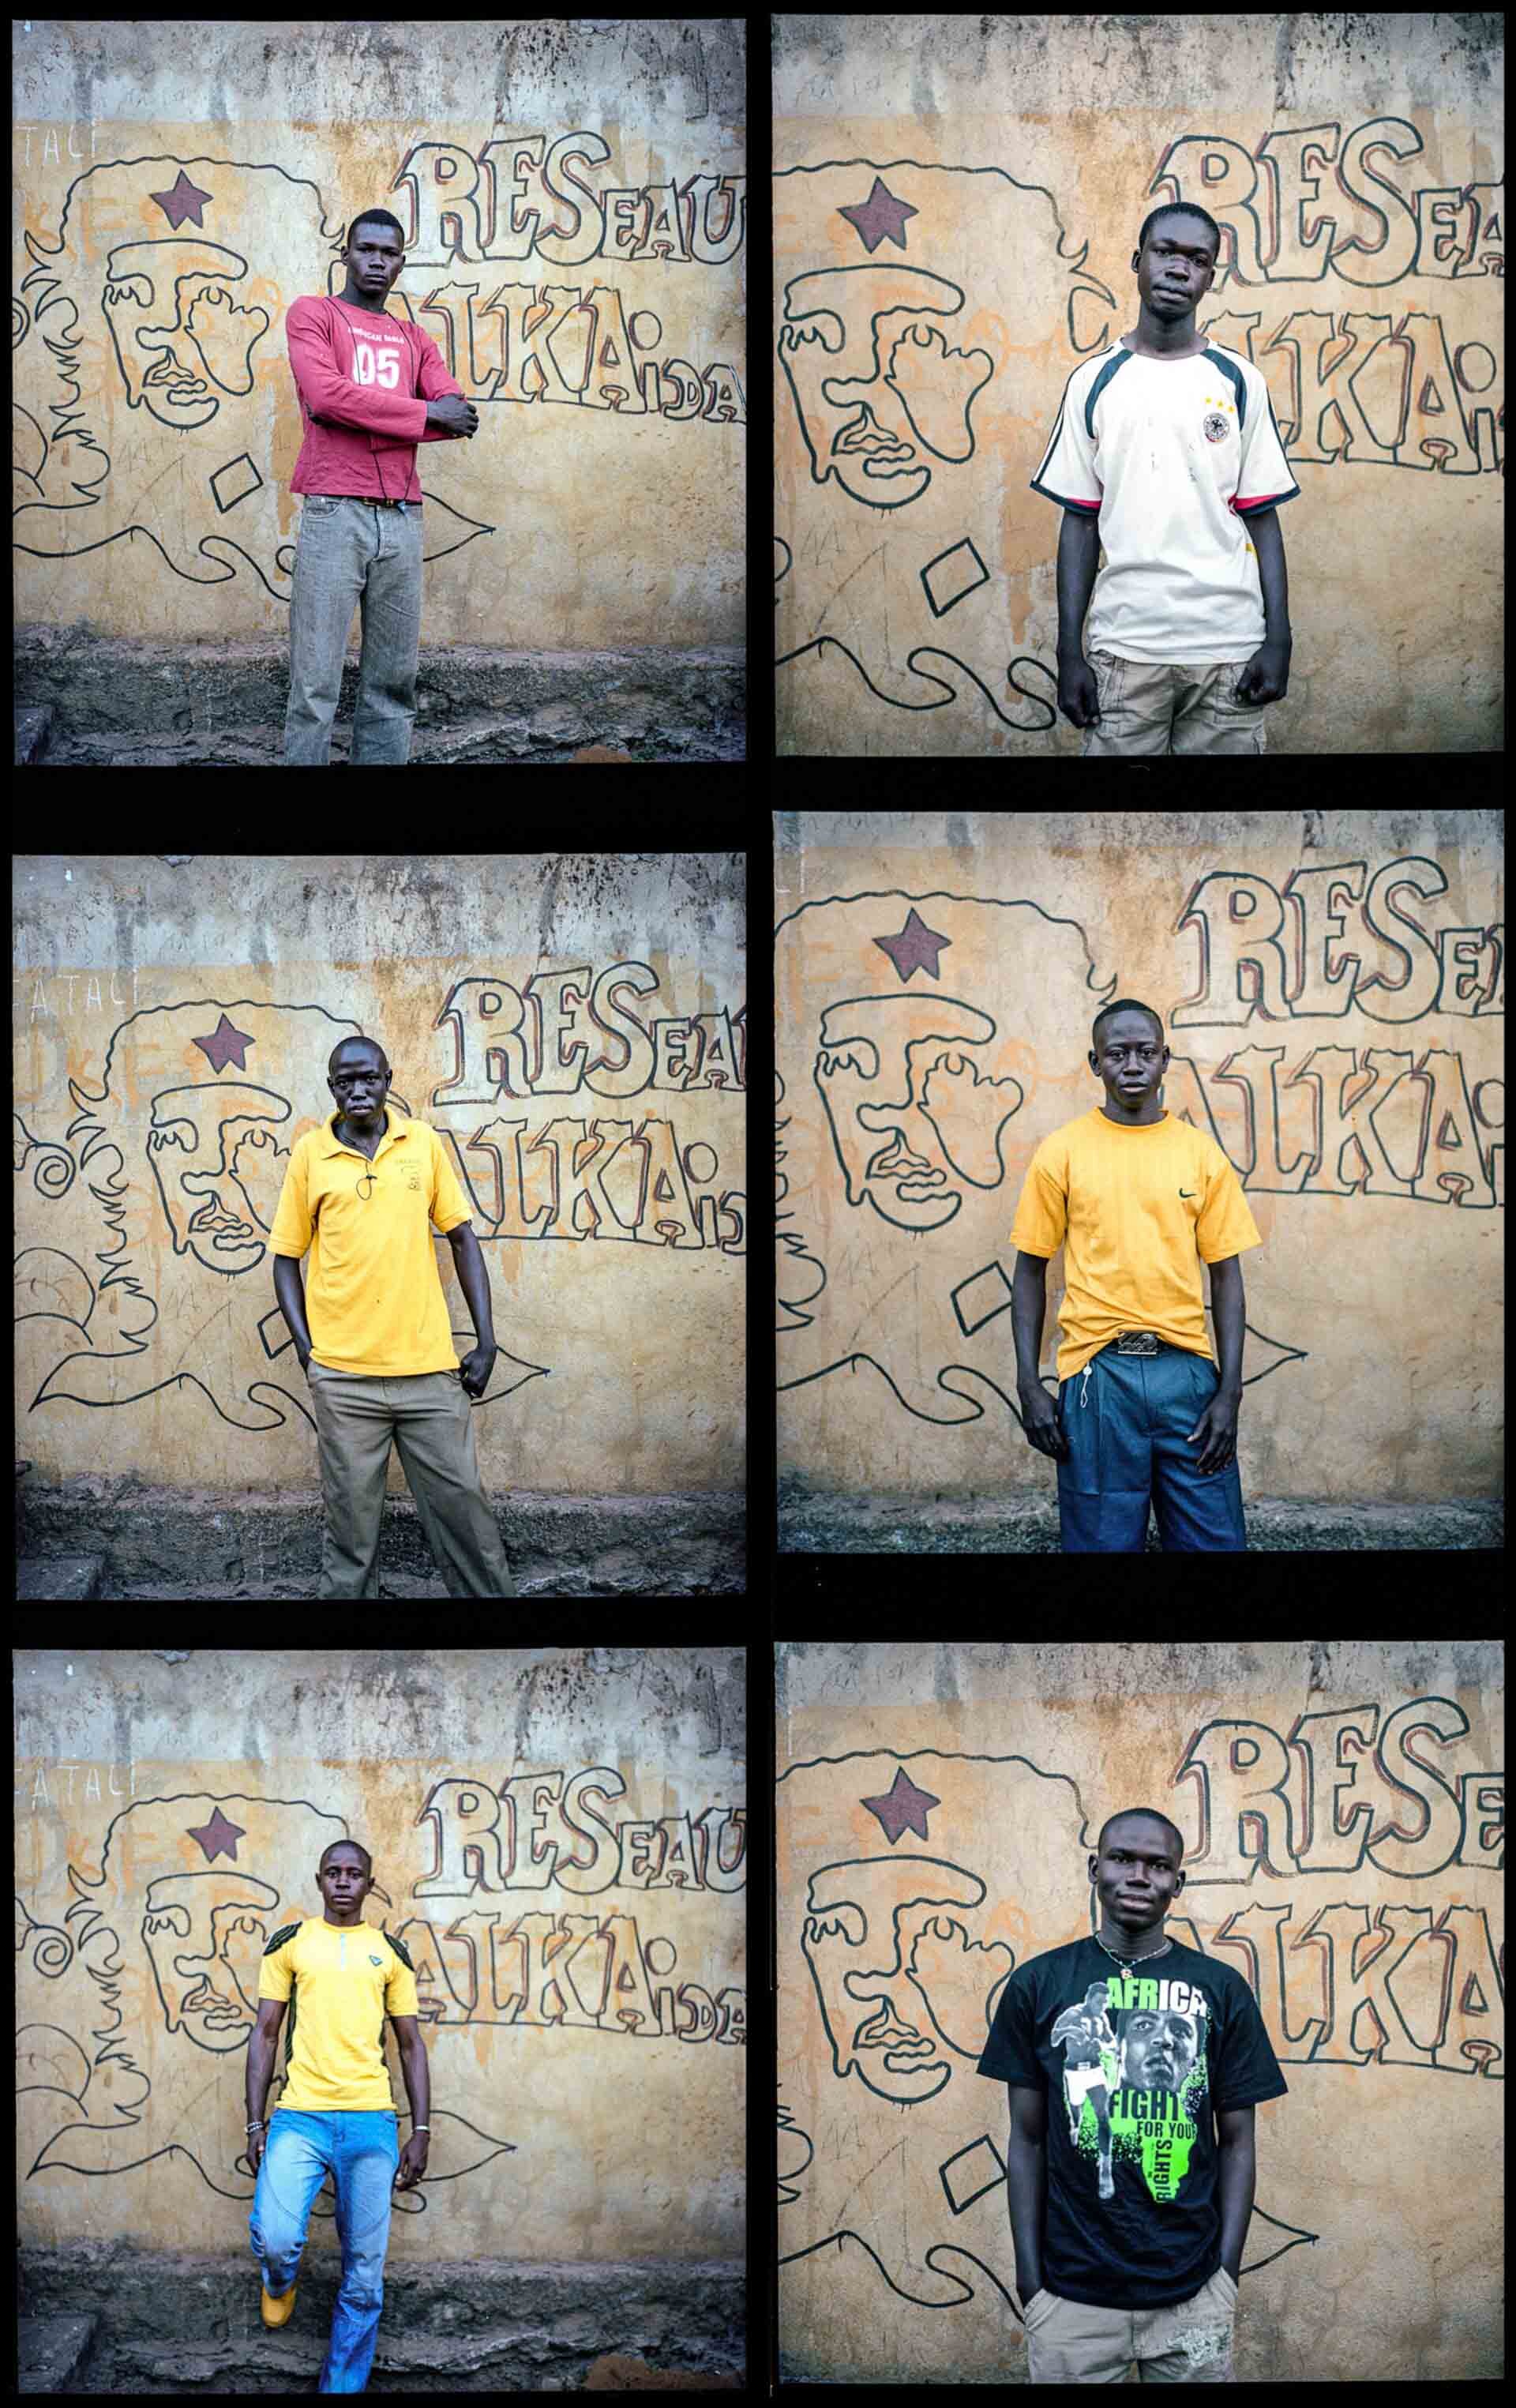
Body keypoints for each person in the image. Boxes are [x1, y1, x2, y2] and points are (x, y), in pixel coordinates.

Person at [977, 1807, 1289, 2383]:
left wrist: (1224, 2278)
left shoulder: (1222, 1989)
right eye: (1123, 1858)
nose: (1139, 1875)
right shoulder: (1039, 1984)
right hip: (1071, 2301)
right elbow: (1027, 2138)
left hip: (1192, 2296)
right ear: (1095, 1868)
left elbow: (1237, 2141)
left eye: (1158, 1864)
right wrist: (1032, 2284)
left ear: (1178, 1882)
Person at [1031, 201, 1298, 753]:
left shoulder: (1238, 380)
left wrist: (1279, 639)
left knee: (1226, 831)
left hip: (1228, 653)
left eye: (1197, 259)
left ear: (1209, 278)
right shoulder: (1094, 382)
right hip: (1125, 654)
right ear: (1138, 261)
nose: (1179, 269)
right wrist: (1069, 653)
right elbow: (1079, 523)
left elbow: (1262, 519)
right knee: (1114, 833)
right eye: (1165, 252)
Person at [269, 1035, 519, 1596]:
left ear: (388, 1078)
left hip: (430, 1375)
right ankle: (347, 1667)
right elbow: (285, 1259)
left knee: (467, 1522)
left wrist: (486, 1341)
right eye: (345, 1081)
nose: (358, 1090)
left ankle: (501, 1652)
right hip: (345, 1382)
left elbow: (462, 1237)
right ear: (331, 1087)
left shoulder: (423, 1144)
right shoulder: (311, 1154)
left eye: (369, 1078)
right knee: (351, 1535)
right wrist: (309, 1350)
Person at [1010, 1000, 1261, 1550]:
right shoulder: (1063, 1152)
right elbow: (1030, 1269)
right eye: (1117, 1053)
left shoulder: (1200, 1154)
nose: (1132, 1064)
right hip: (1098, 1378)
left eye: (1145, 1051)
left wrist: (1230, 1390)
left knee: (1214, 1543)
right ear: (1095, 1062)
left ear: (1165, 1059)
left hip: (1188, 1379)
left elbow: (1227, 1277)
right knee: (1101, 1546)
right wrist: (1030, 1383)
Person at [283, 209, 480, 764]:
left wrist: (378, 412)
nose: (376, 260)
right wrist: (422, 413)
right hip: (333, 512)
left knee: (392, 686)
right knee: (314, 686)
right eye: (365, 248)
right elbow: (325, 399)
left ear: (401, 264)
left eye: (388, 253)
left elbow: (459, 416)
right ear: (344, 254)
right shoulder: (313, 315)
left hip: (402, 517)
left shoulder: (414, 338)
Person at [247, 1840, 430, 2393]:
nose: (344, 1881)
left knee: (364, 2275)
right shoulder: (291, 1944)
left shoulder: (390, 1952)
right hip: (300, 2115)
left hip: (372, 2120)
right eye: (334, 1872)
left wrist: (420, 2129)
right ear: (320, 1879)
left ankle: (341, 2386)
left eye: (355, 1873)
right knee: (277, 2237)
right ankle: (279, 2282)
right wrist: (256, 2122)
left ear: (370, 1884)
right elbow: (264, 2033)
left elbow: (411, 2045)